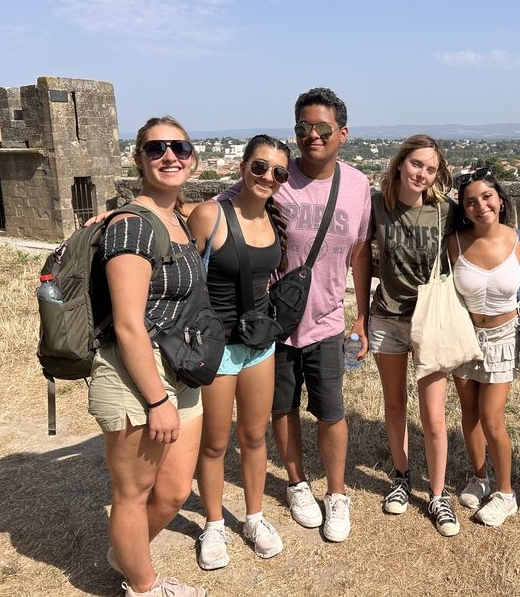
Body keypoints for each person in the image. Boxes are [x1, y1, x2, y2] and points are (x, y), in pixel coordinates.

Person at [216, 88, 372, 543]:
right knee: (281, 408)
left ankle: (337, 492)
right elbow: (213, 207)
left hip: (326, 318)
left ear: (342, 133)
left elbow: (360, 252)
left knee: (330, 410)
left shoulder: (358, 185)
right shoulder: (276, 176)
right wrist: (132, 212)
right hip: (275, 321)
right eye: (303, 128)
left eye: (322, 129)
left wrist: (361, 315)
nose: (312, 136)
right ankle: (297, 482)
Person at [91, 116, 206, 596]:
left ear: (193, 160)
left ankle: (126, 556)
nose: (169, 156)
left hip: (178, 369)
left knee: (175, 490)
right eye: (156, 148)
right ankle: (142, 586)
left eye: (179, 147)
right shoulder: (132, 226)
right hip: (137, 374)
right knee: (134, 493)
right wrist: (157, 400)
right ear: (138, 159)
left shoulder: (176, 218)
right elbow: (128, 324)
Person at [186, 135, 290, 569]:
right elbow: (185, 277)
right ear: (243, 166)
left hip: (257, 348)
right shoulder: (210, 214)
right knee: (213, 443)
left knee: (252, 436)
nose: (268, 177)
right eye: (260, 167)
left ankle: (253, 517)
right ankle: (213, 524)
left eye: (279, 172)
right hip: (217, 348)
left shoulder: (275, 220)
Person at [368, 135, 460, 536]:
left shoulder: (445, 212)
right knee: (393, 405)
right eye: (417, 164)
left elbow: (491, 223)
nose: (422, 174)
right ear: (401, 163)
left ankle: (438, 495)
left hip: (430, 321)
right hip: (387, 317)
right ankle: (402, 477)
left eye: (431, 168)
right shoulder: (376, 206)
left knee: (434, 417)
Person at [448, 168, 520, 527]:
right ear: (463, 209)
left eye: (487, 197)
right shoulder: (454, 242)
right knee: (469, 412)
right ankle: (479, 477)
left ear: (500, 199)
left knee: (492, 418)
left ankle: (506, 492)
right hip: (465, 337)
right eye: (471, 201)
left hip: (502, 338)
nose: (480, 205)